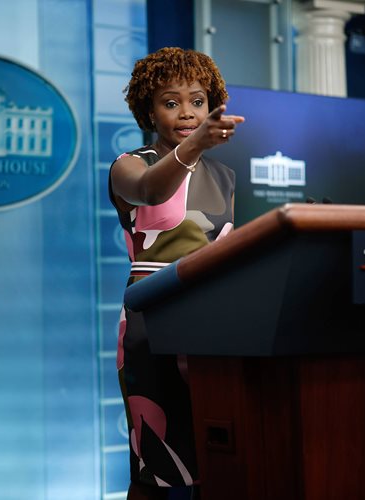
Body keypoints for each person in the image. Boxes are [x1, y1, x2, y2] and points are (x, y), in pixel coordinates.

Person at [108, 47, 244, 500]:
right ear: (149, 108)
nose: (187, 113)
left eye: (198, 101)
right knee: (156, 468)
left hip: (213, 323)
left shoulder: (225, 176)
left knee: (216, 459)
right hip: (154, 323)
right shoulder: (131, 165)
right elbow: (150, 191)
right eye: (171, 102)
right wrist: (196, 145)